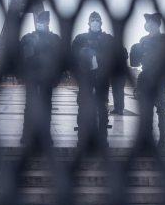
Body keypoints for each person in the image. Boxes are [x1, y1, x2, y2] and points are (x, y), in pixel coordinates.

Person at [130, 13, 165, 148]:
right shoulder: (143, 40)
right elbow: (135, 62)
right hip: (145, 79)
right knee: (146, 111)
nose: (147, 24)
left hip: (160, 79)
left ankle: (164, 139)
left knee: (162, 110)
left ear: (157, 24)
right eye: (147, 22)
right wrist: (134, 53)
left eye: (150, 22)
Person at [72, 11, 114, 148]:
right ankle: (83, 138)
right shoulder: (80, 38)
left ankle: (102, 138)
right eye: (92, 20)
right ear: (88, 23)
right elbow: (72, 56)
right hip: (86, 78)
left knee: (103, 108)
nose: (95, 22)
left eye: (97, 20)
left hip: (102, 78)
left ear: (101, 22)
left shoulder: (108, 39)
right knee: (84, 107)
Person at [20, 11, 62, 145]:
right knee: (30, 105)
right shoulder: (28, 37)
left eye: (43, 21)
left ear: (48, 22)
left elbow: (58, 59)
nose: (40, 23)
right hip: (33, 74)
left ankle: (45, 134)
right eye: (38, 21)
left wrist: (56, 77)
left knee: (46, 105)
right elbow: (23, 57)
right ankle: (27, 134)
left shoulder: (54, 39)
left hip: (46, 75)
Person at [110, 46, 128, 115]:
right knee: (115, 91)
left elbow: (125, 58)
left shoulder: (122, 49)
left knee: (119, 91)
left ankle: (120, 108)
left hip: (120, 74)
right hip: (114, 74)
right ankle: (117, 108)